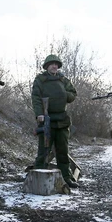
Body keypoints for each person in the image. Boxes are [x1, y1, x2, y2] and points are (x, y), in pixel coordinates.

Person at [31, 54, 78, 188]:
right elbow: (36, 97)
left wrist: (64, 95)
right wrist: (39, 114)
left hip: (62, 120)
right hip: (46, 119)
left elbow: (73, 94)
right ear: (46, 66)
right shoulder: (40, 79)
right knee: (43, 152)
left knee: (63, 152)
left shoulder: (63, 80)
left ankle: (66, 178)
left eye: (56, 64)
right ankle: (37, 178)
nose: (54, 66)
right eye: (52, 64)